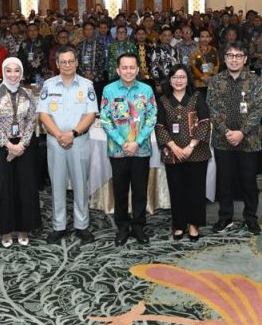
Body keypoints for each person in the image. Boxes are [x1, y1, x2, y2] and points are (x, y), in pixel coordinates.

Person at [37, 46, 98, 244]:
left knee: (81, 185)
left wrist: (73, 134)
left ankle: (82, 225)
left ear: (77, 62)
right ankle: (59, 226)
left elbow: (91, 114)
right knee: (57, 184)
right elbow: (43, 114)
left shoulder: (87, 85)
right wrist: (58, 135)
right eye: (63, 62)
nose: (67, 65)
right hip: (55, 143)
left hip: (79, 141)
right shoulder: (49, 85)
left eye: (71, 61)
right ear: (57, 64)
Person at [206, 41, 262, 234]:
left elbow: (258, 110)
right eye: (230, 56)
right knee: (225, 182)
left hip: (249, 141)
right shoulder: (216, 81)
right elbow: (212, 109)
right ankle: (225, 217)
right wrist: (226, 132)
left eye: (238, 56)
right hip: (223, 140)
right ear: (225, 58)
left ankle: (251, 218)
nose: (234, 60)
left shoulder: (255, 81)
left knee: (249, 182)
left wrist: (241, 132)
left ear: (245, 59)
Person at [99, 52, 157, 246]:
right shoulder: (109, 90)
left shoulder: (147, 90)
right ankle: (122, 228)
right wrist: (122, 143)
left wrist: (137, 142)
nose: (128, 71)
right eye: (124, 67)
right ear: (118, 70)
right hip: (118, 151)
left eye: (132, 67)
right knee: (120, 190)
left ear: (138, 69)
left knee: (140, 190)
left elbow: (151, 119)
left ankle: (139, 227)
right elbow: (105, 120)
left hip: (141, 150)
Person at [0, 57, 40, 247]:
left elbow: (31, 121)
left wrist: (21, 145)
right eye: (9, 70)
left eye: (17, 70)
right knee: (3, 189)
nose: (13, 75)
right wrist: (9, 146)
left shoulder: (28, 94)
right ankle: (5, 230)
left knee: (25, 188)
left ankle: (24, 228)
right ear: (3, 72)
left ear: (21, 73)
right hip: (1, 147)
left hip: (24, 146)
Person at [154, 64, 211, 241]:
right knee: (177, 189)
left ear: (188, 80)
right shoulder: (163, 100)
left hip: (197, 152)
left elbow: (205, 122)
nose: (178, 80)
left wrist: (190, 146)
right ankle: (179, 225)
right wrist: (174, 147)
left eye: (182, 77)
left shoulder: (197, 97)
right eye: (175, 77)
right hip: (173, 152)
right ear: (169, 80)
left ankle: (194, 225)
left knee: (196, 189)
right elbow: (159, 126)